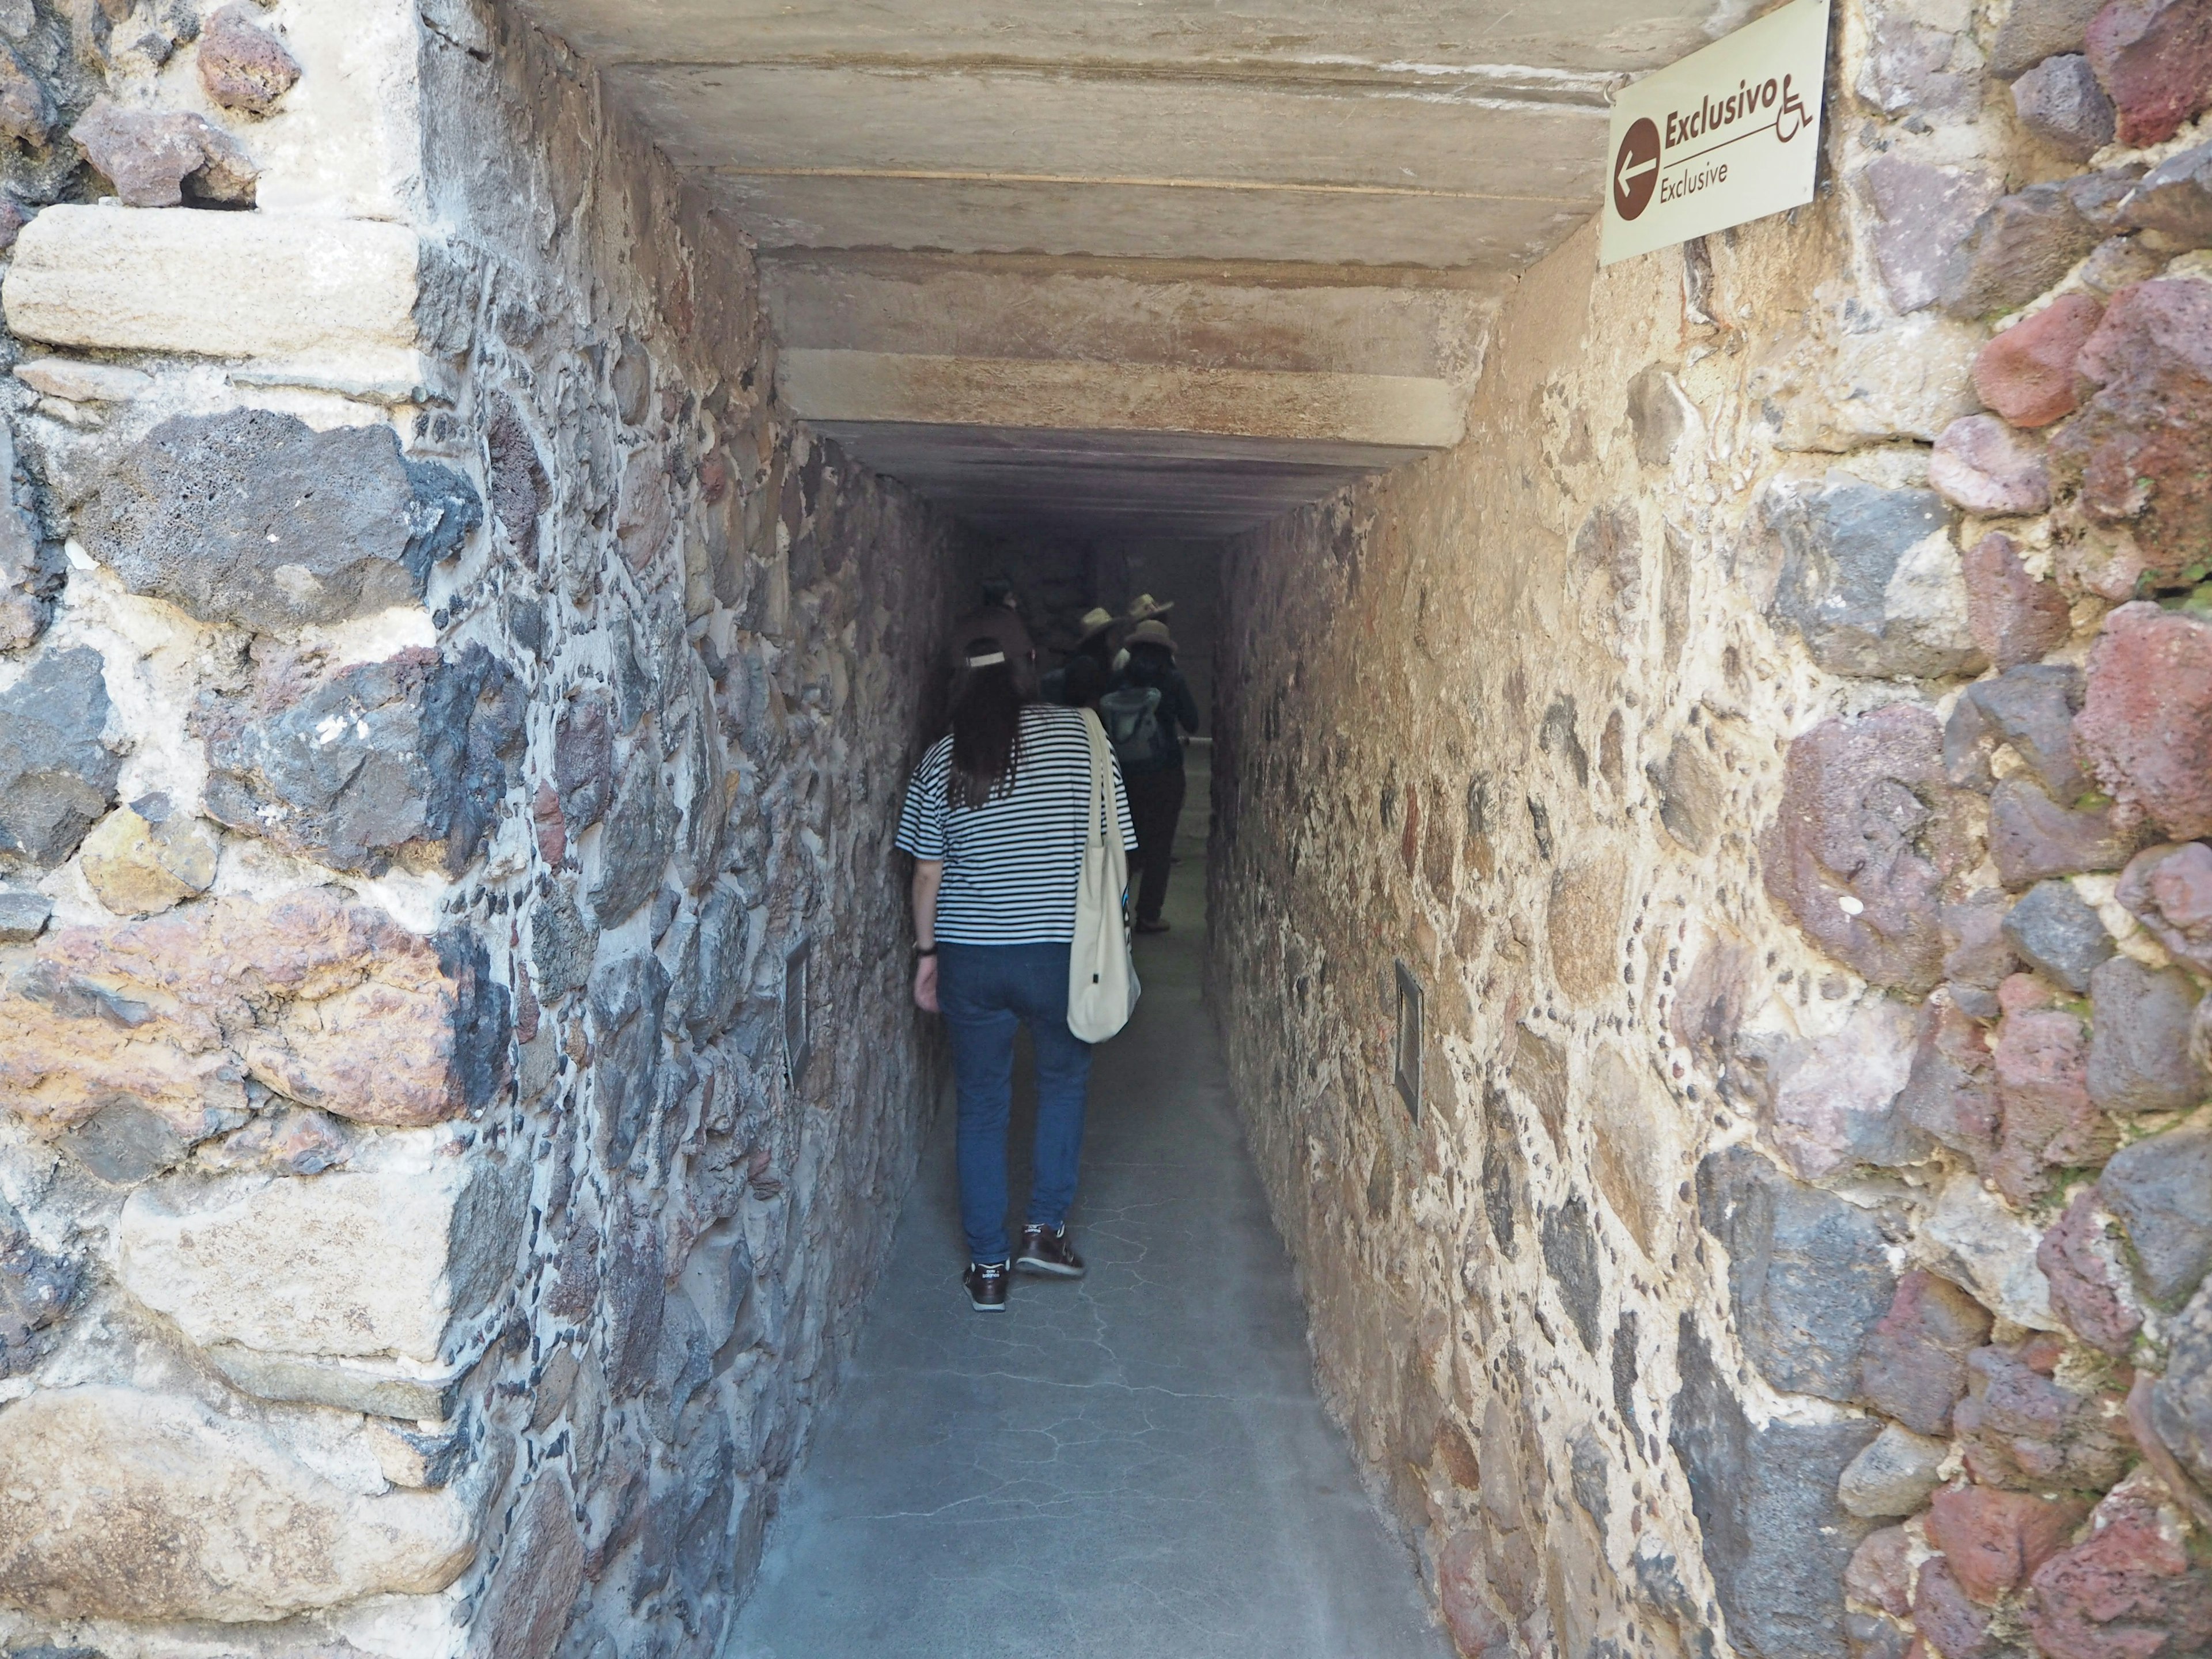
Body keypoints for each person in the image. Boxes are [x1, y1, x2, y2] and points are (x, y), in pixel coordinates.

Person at [895, 608, 1138, 1312]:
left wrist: (927, 954)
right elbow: (1118, 843)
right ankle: (1043, 1232)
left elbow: (926, 876)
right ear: (1029, 662)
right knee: (1062, 1084)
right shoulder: (1081, 738)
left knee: (981, 1107)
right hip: (1060, 954)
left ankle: (988, 1269)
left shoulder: (941, 758)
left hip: (972, 956)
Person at [1101, 617, 1200, 933]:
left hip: (1124, 775)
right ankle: (1149, 914)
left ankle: (1116, 912)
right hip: (1164, 772)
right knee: (1160, 846)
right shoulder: (1173, 680)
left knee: (1124, 847)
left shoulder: (1118, 681)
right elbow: (1193, 722)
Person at [1040, 606, 1116, 705]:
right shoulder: (1086, 666)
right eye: (1111, 634)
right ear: (1102, 639)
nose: (1116, 637)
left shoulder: (1099, 662)